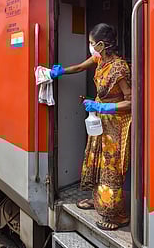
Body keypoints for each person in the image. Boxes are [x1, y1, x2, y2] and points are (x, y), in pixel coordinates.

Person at [50, 23, 131, 231]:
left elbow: (131, 102)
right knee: (96, 162)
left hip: (114, 124)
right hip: (100, 121)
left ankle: (117, 214)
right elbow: (79, 67)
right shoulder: (99, 59)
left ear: (102, 45)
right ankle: (99, 200)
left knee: (110, 168)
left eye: (91, 43)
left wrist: (103, 106)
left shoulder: (119, 67)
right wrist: (60, 72)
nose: (90, 46)